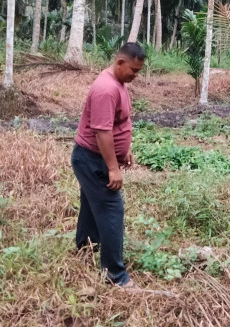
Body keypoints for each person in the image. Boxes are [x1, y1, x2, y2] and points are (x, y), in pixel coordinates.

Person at [70, 42, 146, 288]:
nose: (135, 75)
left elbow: (116, 123)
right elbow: (101, 131)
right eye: (133, 70)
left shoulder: (118, 83)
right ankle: (115, 275)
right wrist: (113, 168)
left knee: (92, 206)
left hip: (92, 157)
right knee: (112, 210)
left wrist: (125, 150)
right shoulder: (106, 89)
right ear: (120, 62)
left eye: (138, 71)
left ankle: (85, 247)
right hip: (92, 160)